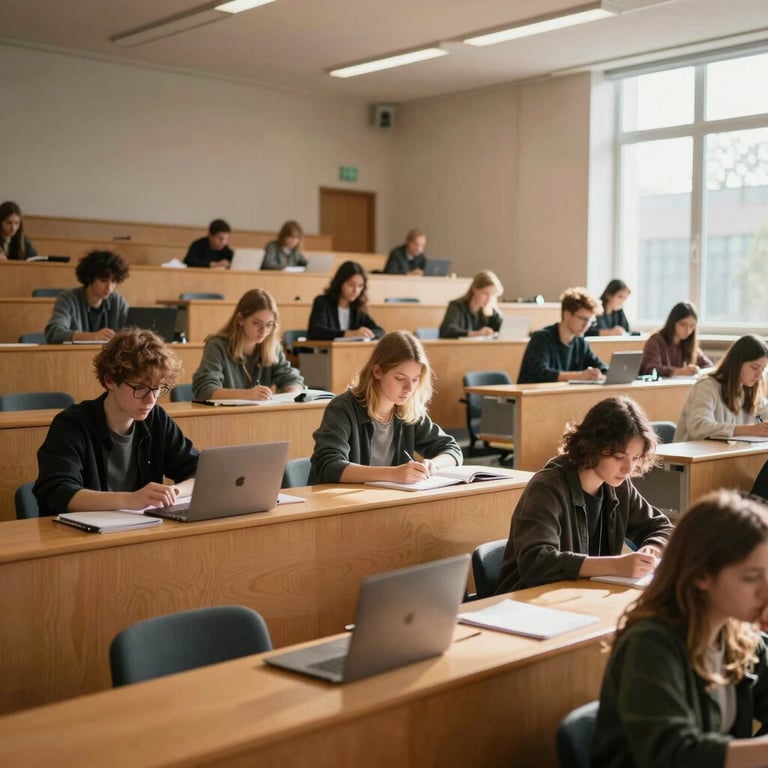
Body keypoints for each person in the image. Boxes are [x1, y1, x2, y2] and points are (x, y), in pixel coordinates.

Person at [591, 489, 768, 768]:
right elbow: (672, 755)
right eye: (751, 577)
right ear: (701, 575)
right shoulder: (650, 644)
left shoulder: (738, 634)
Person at [496, 396, 673, 593]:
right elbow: (537, 563)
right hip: (526, 603)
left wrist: (651, 550)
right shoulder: (546, 488)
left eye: (636, 457)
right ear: (592, 446)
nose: (628, 468)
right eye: (618, 457)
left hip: (576, 595)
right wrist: (617, 565)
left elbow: (662, 526)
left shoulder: (619, 485)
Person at [33, 327, 198, 517]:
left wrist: (174, 492)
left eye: (157, 388)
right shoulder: (71, 424)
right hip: (79, 537)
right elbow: (55, 492)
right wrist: (130, 499)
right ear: (110, 380)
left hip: (138, 531)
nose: (151, 400)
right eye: (139, 388)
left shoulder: (156, 419)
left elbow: (199, 471)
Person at [309, 330, 462, 483]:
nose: (409, 388)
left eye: (415, 379)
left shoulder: (408, 409)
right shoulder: (342, 408)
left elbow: (452, 449)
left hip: (385, 502)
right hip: (339, 502)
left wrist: (433, 464)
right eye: (400, 378)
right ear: (378, 371)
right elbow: (328, 466)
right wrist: (394, 474)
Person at [192, 288, 304, 400]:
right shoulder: (217, 346)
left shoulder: (272, 347)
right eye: (256, 323)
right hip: (224, 416)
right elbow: (204, 390)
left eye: (269, 325)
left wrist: (292, 393)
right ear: (240, 319)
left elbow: (292, 378)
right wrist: (247, 395)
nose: (264, 331)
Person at [674, 334, 768, 441]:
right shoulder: (707, 386)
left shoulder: (748, 390)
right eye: (754, 367)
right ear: (737, 363)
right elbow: (699, 427)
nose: (759, 376)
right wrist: (749, 430)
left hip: (724, 454)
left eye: (763, 369)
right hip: (693, 454)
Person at [516, 286, 608, 383]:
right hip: (535, 396)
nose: (587, 325)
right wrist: (580, 376)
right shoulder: (541, 338)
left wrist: (603, 373)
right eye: (583, 319)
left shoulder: (580, 343)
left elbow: (602, 367)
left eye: (590, 321)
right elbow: (539, 373)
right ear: (567, 315)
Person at [44, 249, 130, 343]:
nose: (109, 288)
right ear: (90, 278)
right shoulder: (68, 298)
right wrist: (92, 337)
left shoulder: (118, 301)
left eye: (113, 281)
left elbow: (134, 331)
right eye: (103, 280)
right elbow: (53, 333)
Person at [307, 260, 385, 340]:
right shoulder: (322, 302)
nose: (356, 291)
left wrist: (368, 333)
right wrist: (350, 334)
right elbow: (315, 333)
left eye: (360, 286)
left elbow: (380, 331)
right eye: (351, 285)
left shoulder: (358, 307)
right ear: (340, 283)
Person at [640, 301, 713, 377]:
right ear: (672, 322)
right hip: (660, 387)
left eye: (692, 326)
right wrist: (678, 371)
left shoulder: (689, 343)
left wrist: (697, 370)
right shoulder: (656, 340)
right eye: (683, 325)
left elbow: (709, 367)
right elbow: (650, 369)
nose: (688, 331)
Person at [438, 270, 504, 338]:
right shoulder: (456, 306)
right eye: (485, 294)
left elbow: (503, 329)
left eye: (492, 295)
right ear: (475, 289)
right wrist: (476, 334)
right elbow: (447, 331)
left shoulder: (492, 312)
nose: (489, 299)